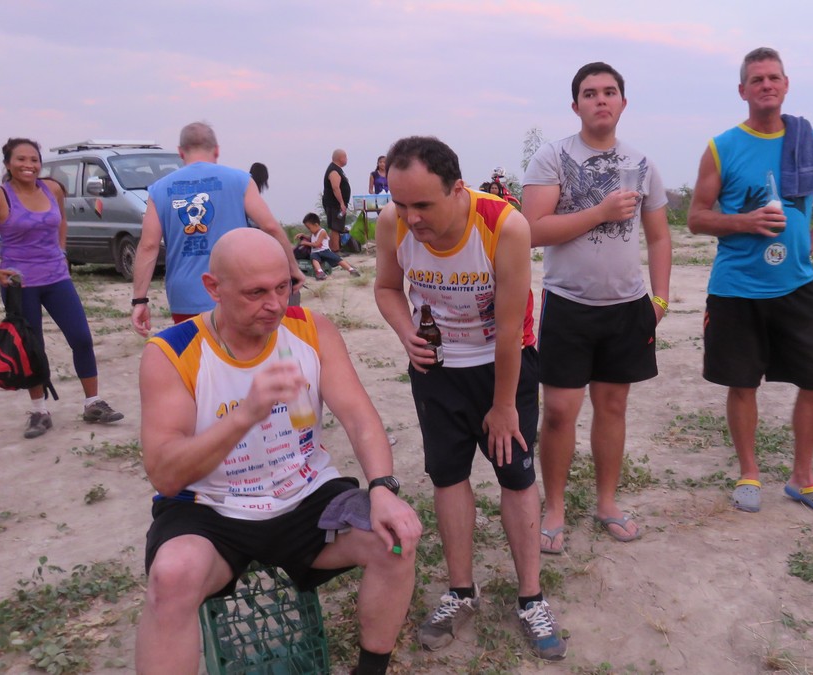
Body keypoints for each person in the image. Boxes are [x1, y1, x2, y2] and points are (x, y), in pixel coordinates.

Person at [134, 228, 420, 675]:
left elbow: (359, 417)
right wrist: (245, 415)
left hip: (304, 494)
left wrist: (383, 488)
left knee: (395, 540)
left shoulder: (309, 329)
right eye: (256, 293)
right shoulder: (172, 353)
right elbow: (166, 475)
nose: (274, 304)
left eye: (282, 287)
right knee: (171, 579)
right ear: (213, 288)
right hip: (212, 507)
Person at [373, 136, 567, 661]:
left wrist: (503, 407)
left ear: (457, 189)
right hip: (435, 367)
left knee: (516, 476)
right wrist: (405, 333)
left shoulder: (505, 226)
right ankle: (461, 591)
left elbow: (509, 329)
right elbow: (387, 288)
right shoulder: (393, 223)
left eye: (423, 204)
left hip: (502, 364)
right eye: (401, 203)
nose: (411, 218)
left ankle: (531, 597)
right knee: (448, 475)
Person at [686, 47, 813, 516]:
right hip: (736, 288)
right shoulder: (722, 147)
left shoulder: (808, 140)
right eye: (757, 79)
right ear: (742, 90)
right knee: (742, 384)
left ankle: (803, 478)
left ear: (786, 86)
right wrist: (743, 222)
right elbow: (697, 218)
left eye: (773, 78)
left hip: (796, 284)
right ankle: (749, 473)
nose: (766, 85)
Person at [522, 61, 672, 554]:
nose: (601, 100)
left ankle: (607, 502)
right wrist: (601, 211)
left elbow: (659, 236)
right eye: (590, 93)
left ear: (623, 103)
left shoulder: (642, 163)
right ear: (576, 105)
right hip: (568, 303)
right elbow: (532, 231)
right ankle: (554, 508)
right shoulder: (553, 157)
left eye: (609, 92)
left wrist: (660, 299)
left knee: (612, 406)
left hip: (627, 307)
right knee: (559, 411)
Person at [0, 137, 124, 438]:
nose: (28, 165)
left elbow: (61, 220)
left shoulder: (52, 189)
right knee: (32, 347)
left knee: (81, 338)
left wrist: (62, 251)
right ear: (8, 163)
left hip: (56, 278)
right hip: (19, 284)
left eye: (34, 159)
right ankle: (39, 411)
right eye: (21, 159)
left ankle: (93, 403)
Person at [131, 122, 302, 336]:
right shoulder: (240, 181)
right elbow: (270, 227)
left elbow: (148, 245)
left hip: (185, 297)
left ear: (181, 152)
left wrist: (140, 300)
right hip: (237, 292)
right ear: (217, 150)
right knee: (242, 352)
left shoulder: (160, 189)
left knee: (197, 353)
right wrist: (293, 269)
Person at [296, 212, 361, 280]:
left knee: (337, 259)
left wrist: (305, 243)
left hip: (325, 251)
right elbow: (311, 239)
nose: (309, 230)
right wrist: (303, 235)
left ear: (316, 225)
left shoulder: (322, 232)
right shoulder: (313, 233)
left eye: (309, 228)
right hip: (316, 252)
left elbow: (317, 244)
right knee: (313, 258)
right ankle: (320, 272)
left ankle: (351, 269)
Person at [323, 149, 352, 253]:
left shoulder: (338, 169)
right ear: (341, 158)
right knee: (336, 227)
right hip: (334, 204)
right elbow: (335, 188)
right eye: (346, 157)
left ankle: (332, 248)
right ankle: (335, 250)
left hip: (335, 204)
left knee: (336, 226)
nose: (347, 159)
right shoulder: (334, 170)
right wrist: (341, 203)